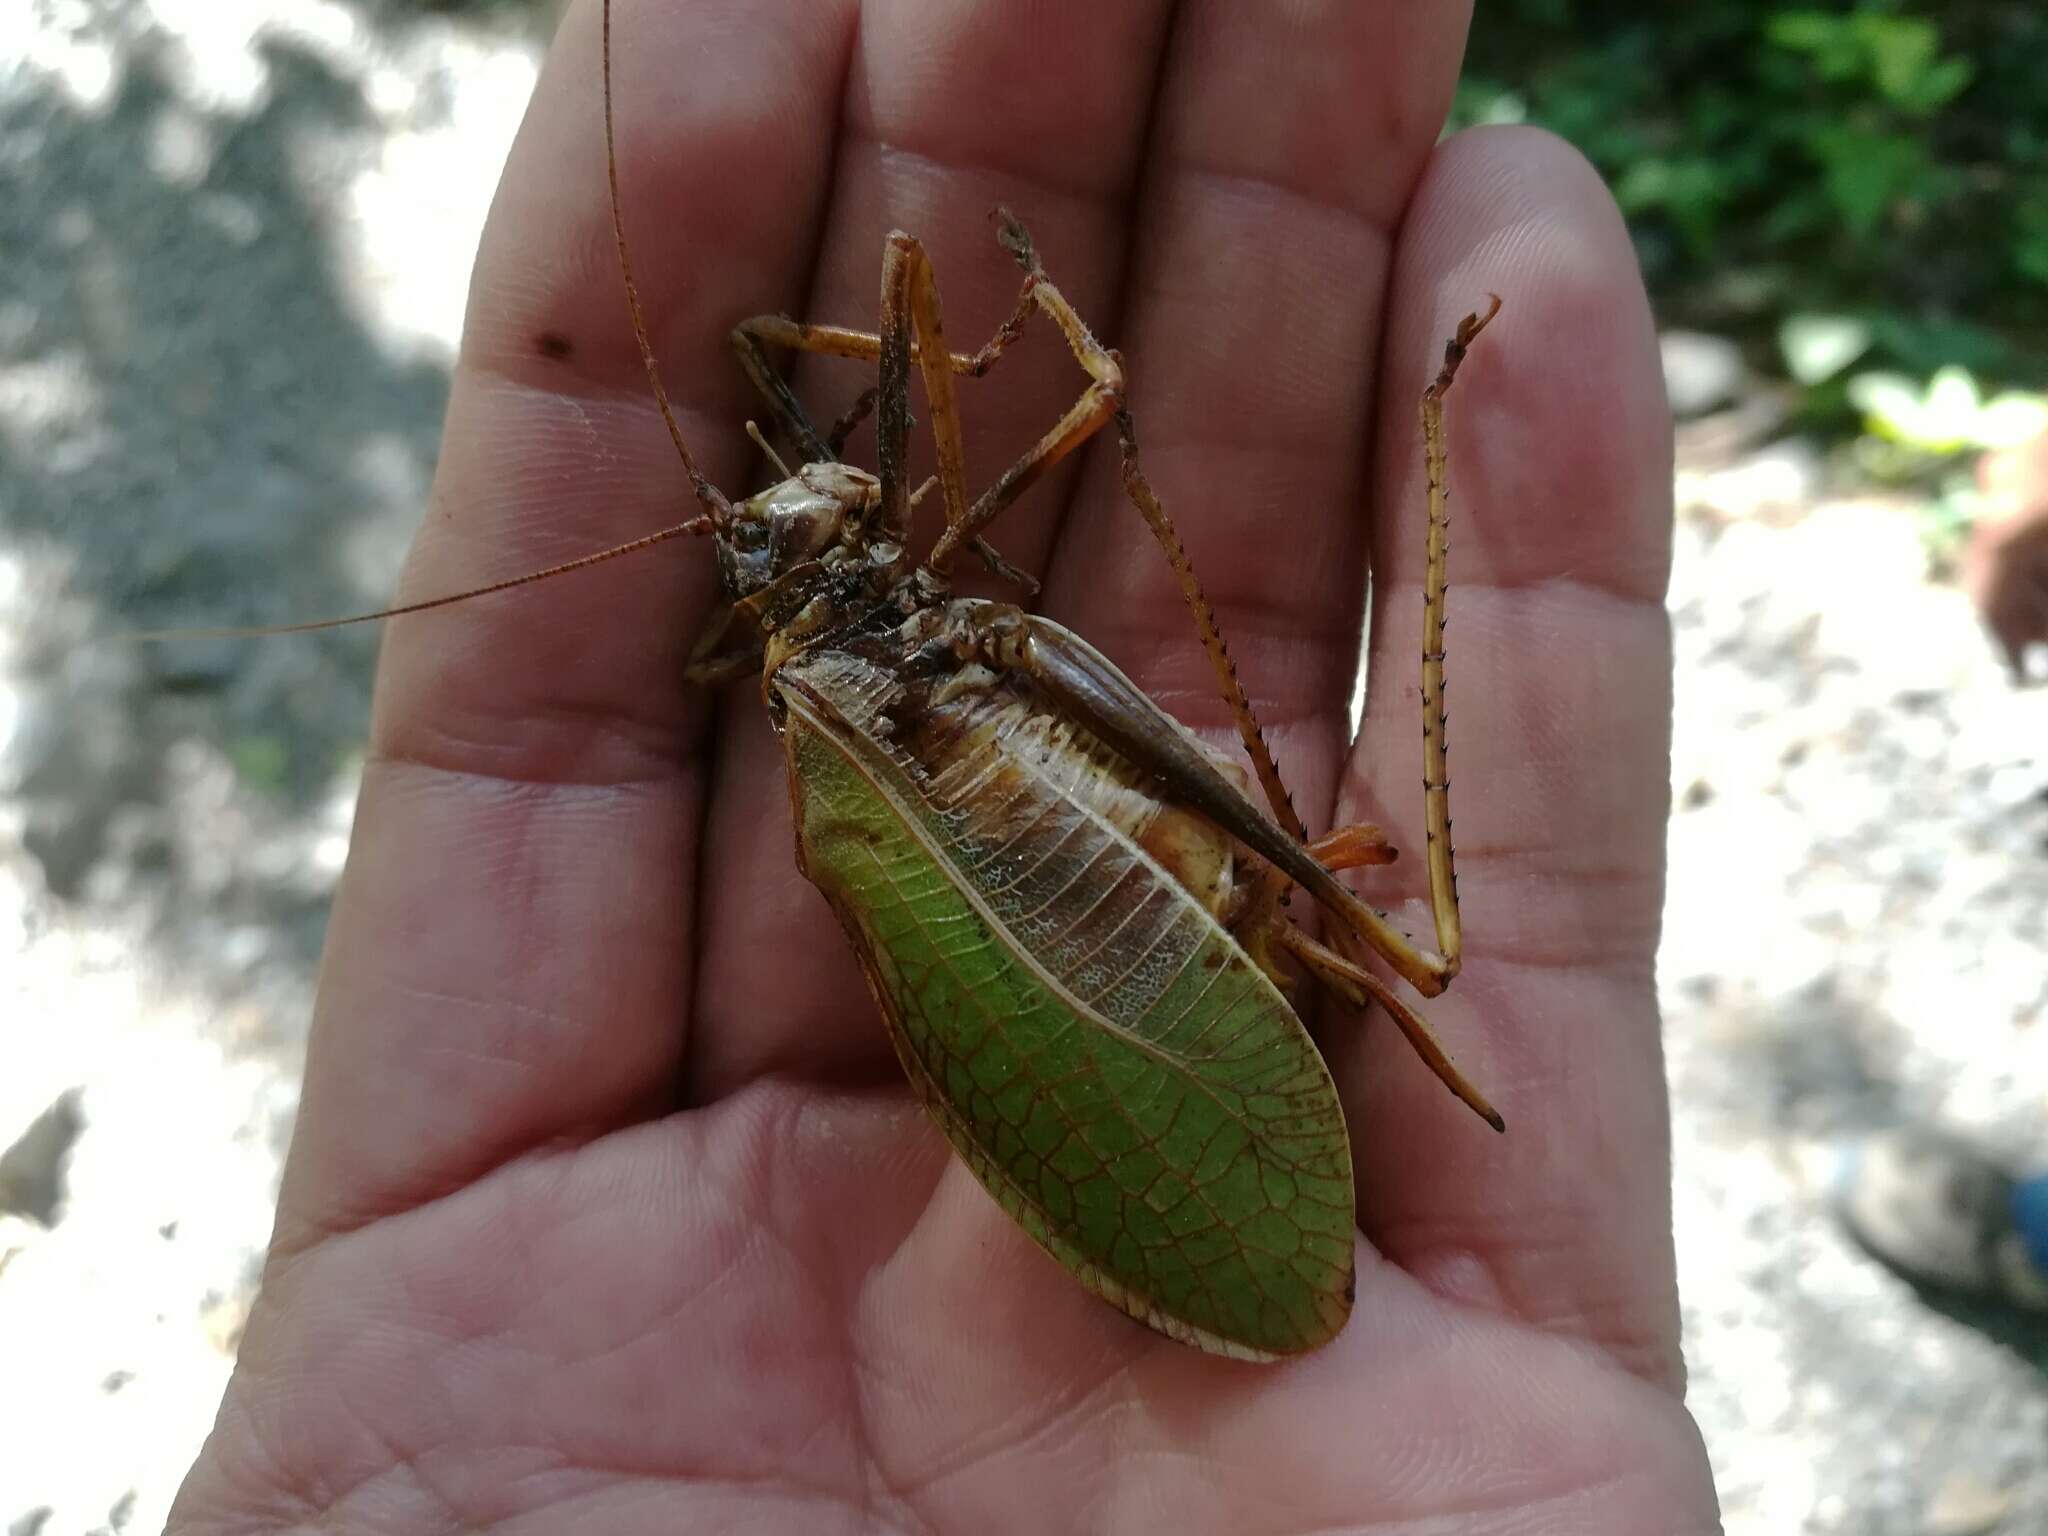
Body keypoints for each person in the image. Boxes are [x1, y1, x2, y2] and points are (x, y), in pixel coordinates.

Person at [168, 2, 1719, 1529]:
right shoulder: (832, 694)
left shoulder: (869, 603)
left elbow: (778, 364)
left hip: (1098, 849)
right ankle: (1424, 467)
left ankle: (1384, 576)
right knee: (1332, 873)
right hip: (1068, 884)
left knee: (1339, 884)